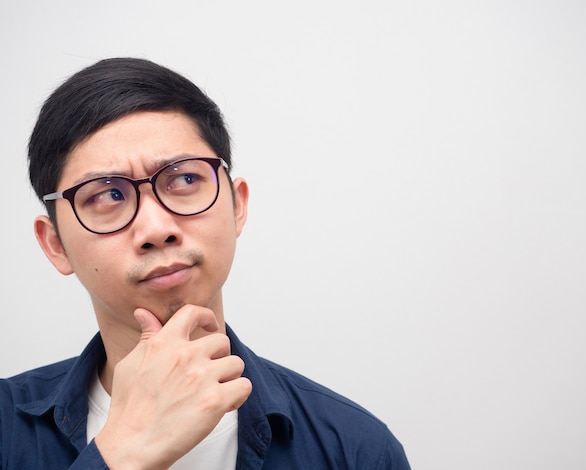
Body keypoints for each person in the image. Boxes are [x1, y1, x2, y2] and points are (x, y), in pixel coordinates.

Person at [0, 57, 410, 469]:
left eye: (184, 179)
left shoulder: (355, 449)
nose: (157, 228)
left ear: (238, 206)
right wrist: (123, 454)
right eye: (107, 195)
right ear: (55, 245)